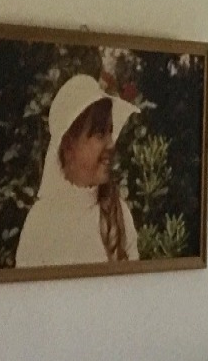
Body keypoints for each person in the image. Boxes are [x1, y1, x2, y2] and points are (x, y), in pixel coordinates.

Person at [15, 72, 141, 267]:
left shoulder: (120, 215)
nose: (111, 144)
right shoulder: (41, 223)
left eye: (110, 132)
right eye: (100, 134)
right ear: (68, 146)